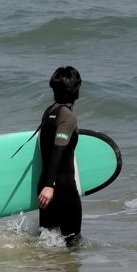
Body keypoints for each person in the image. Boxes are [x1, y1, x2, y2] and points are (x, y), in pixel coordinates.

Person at [37, 66, 82, 247]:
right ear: (77, 89)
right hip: (62, 191)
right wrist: (51, 186)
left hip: (45, 188)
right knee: (72, 244)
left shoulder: (49, 112)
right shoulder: (68, 117)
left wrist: (46, 185)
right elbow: (58, 149)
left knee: (47, 241)